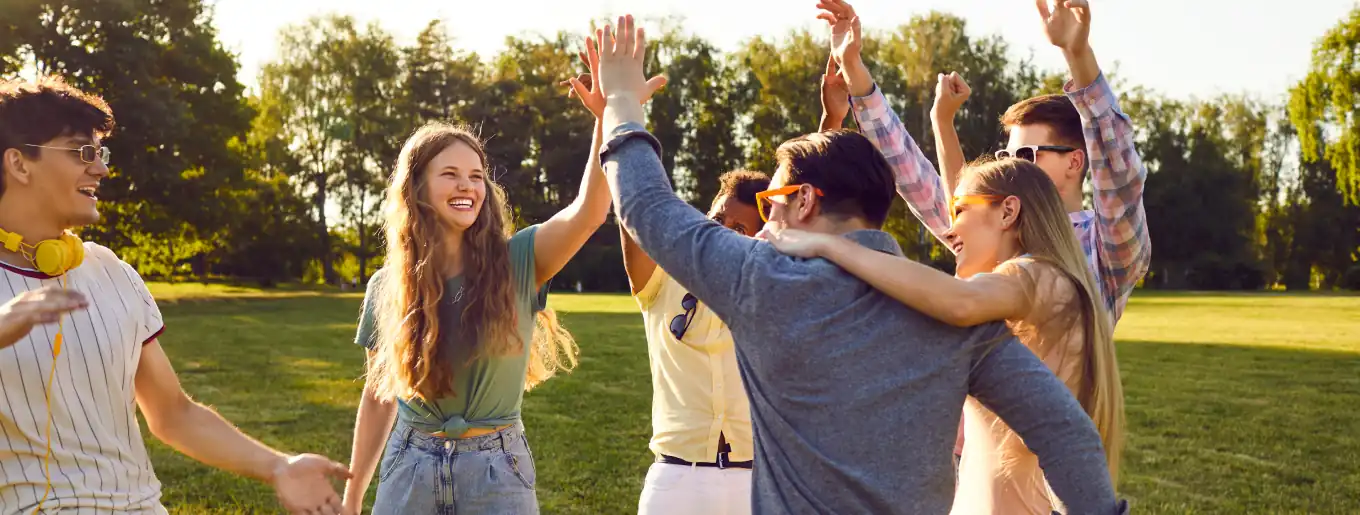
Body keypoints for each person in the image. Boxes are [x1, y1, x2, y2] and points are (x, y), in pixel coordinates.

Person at [591, 16, 1129, 514]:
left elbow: (647, 207)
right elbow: (1067, 433)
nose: (766, 217)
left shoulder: (760, 279)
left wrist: (620, 102)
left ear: (804, 202)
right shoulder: (959, 318)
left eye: (771, 200)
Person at [339, 32, 665, 513]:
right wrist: (352, 497)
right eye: (449, 174)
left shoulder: (520, 259)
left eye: (475, 175)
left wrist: (607, 118)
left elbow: (589, 211)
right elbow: (379, 396)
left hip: (496, 470)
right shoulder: (386, 286)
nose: (467, 185)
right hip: (409, 466)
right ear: (417, 188)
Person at [0, 76, 350, 514]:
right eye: (81, 152)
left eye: (100, 153)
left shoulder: (112, 271)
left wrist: (279, 465)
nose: (101, 169)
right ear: (19, 164)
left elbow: (173, 414)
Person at [765, 158, 1125, 514]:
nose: (950, 231)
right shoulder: (1044, 284)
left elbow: (959, 303)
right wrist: (942, 119)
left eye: (961, 210)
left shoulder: (1037, 276)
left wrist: (829, 246)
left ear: (1007, 212)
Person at [564, 43, 764, 515]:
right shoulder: (663, 278)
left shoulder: (771, 286)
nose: (722, 232)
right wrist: (618, 111)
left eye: (741, 229)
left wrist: (832, 116)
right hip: (676, 480)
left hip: (757, 479)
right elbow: (634, 207)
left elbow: (803, 208)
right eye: (718, 218)